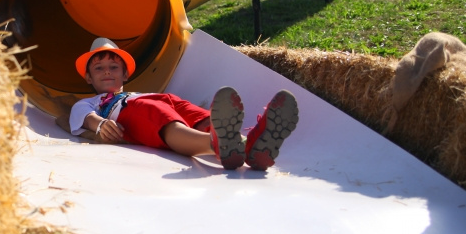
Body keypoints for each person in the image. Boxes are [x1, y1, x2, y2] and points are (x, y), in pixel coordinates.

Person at [68, 38, 299, 171]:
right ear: (88, 78)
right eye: (99, 68)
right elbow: (83, 115)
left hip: (160, 99)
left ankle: (250, 145)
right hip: (128, 111)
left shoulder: (136, 93)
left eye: (114, 67)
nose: (107, 71)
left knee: (199, 115)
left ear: (125, 74)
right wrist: (100, 124)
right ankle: (216, 145)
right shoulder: (91, 102)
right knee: (161, 117)